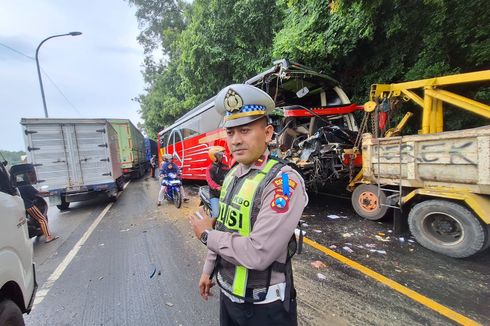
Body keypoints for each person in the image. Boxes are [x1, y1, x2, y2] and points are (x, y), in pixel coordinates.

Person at [189, 84, 308, 325]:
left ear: (267, 133)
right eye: (231, 133)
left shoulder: (283, 182)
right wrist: (207, 270)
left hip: (265, 307)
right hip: (228, 295)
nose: (235, 141)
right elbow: (222, 227)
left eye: (244, 130)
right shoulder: (232, 174)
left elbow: (258, 253)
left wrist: (206, 236)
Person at [18, 170, 58, 243]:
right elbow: (38, 193)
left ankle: (40, 232)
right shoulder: (27, 186)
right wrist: (50, 193)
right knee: (42, 219)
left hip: (22, 207)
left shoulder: (18, 187)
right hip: (29, 206)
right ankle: (48, 237)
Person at [205, 146, 229, 218]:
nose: (222, 156)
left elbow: (231, 175)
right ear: (214, 156)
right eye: (219, 155)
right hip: (215, 195)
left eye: (222, 155)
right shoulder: (210, 168)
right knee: (216, 214)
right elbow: (209, 180)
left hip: (225, 193)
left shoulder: (226, 167)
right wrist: (217, 187)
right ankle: (211, 228)